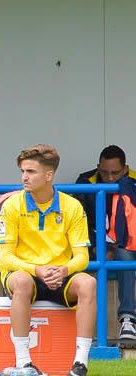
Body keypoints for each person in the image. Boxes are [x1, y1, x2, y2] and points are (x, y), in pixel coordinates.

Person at [0, 144, 95, 376]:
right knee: (20, 281)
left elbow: (82, 257)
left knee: (88, 283)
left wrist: (63, 270)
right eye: (23, 171)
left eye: (30, 172)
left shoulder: (72, 207)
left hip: (61, 274)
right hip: (25, 274)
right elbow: (6, 258)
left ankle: (80, 363)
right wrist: (36, 270)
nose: (24, 177)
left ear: (48, 176)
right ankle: (24, 362)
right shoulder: (11, 206)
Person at [76, 145, 136, 340]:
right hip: (94, 245)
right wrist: (97, 245)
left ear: (126, 169)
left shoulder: (134, 182)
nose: (110, 178)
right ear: (97, 167)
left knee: (124, 254)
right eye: (105, 172)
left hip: (128, 245)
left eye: (115, 173)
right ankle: (72, 330)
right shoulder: (85, 181)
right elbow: (78, 221)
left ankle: (127, 318)